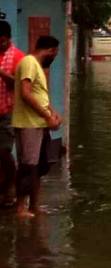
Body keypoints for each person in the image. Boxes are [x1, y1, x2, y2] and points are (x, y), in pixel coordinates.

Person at [12, 35, 61, 218]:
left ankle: (34, 205)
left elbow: (39, 95)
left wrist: (52, 113)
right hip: (29, 123)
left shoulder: (36, 66)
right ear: (50, 50)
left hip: (39, 123)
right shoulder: (29, 62)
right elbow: (26, 94)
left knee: (40, 167)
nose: (54, 56)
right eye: (55, 53)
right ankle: (20, 207)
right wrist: (46, 115)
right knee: (28, 166)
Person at [0, 21, 24, 209]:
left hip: (7, 112)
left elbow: (20, 85)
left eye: (1, 41)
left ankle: (10, 189)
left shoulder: (18, 57)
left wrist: (1, 73)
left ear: (8, 38)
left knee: (4, 151)